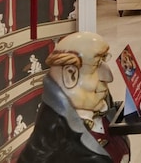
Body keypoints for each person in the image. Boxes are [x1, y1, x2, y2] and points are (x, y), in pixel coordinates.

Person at [18, 32, 130, 163]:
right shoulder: (54, 135)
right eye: (96, 66)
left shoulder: (102, 102)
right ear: (70, 75)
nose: (108, 77)